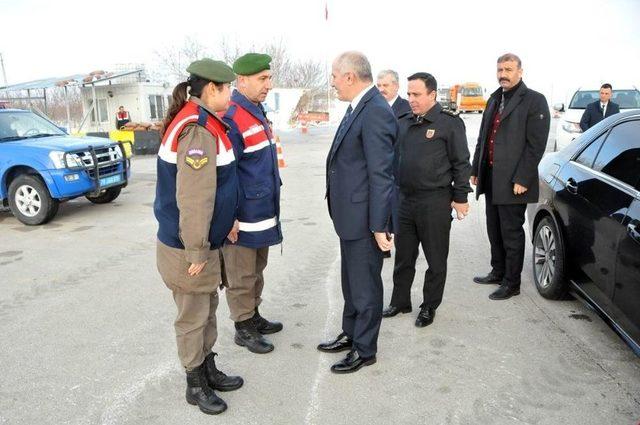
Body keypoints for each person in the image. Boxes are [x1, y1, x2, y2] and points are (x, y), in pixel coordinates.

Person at [154, 59, 243, 415]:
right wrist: (195, 251)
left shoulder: (207, 123)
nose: (231, 94)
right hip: (188, 246)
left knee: (206, 310)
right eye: (228, 88)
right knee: (193, 317)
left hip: (204, 241)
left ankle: (207, 368)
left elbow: (218, 189)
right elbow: (194, 199)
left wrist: (227, 222)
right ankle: (195, 383)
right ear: (212, 90)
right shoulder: (198, 130)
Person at [317, 51, 396, 374]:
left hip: (366, 220)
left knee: (365, 286)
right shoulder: (359, 106)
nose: (333, 82)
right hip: (351, 216)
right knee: (351, 282)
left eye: (335, 75)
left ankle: (365, 349)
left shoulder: (375, 111)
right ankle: (351, 333)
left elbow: (382, 174)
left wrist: (379, 225)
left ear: (350, 76)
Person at [382, 72, 472, 326]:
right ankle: (400, 302)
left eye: (417, 94)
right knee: (404, 257)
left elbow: (461, 163)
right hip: (405, 200)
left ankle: (429, 306)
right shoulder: (404, 122)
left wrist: (461, 196)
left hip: (434, 200)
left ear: (432, 95)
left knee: (435, 258)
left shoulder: (449, 123)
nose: (411, 99)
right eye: (409, 94)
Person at [470, 53, 550, 300]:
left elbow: (536, 145)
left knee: (511, 232)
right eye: (500, 69)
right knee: (493, 227)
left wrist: (523, 178)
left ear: (520, 72)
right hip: (492, 175)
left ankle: (511, 282)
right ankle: (498, 270)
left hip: (515, 180)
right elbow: (484, 137)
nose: (502, 74)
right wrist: (476, 169)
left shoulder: (535, 101)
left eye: (508, 69)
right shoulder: (494, 99)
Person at [221, 53, 283, 355]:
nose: (268, 84)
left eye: (269, 78)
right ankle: (242, 327)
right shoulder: (233, 116)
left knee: (257, 267)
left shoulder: (255, 111)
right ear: (241, 80)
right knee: (241, 273)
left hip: (261, 211)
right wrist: (229, 217)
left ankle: (253, 315)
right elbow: (226, 173)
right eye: (262, 79)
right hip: (242, 215)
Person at [376, 69, 411, 258]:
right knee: (381, 207)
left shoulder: (406, 109)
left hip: (400, 169)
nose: (381, 89)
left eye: (385, 85)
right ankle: (384, 246)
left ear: (396, 86)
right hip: (379, 168)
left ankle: (402, 246)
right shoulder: (373, 107)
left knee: (398, 212)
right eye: (378, 85)